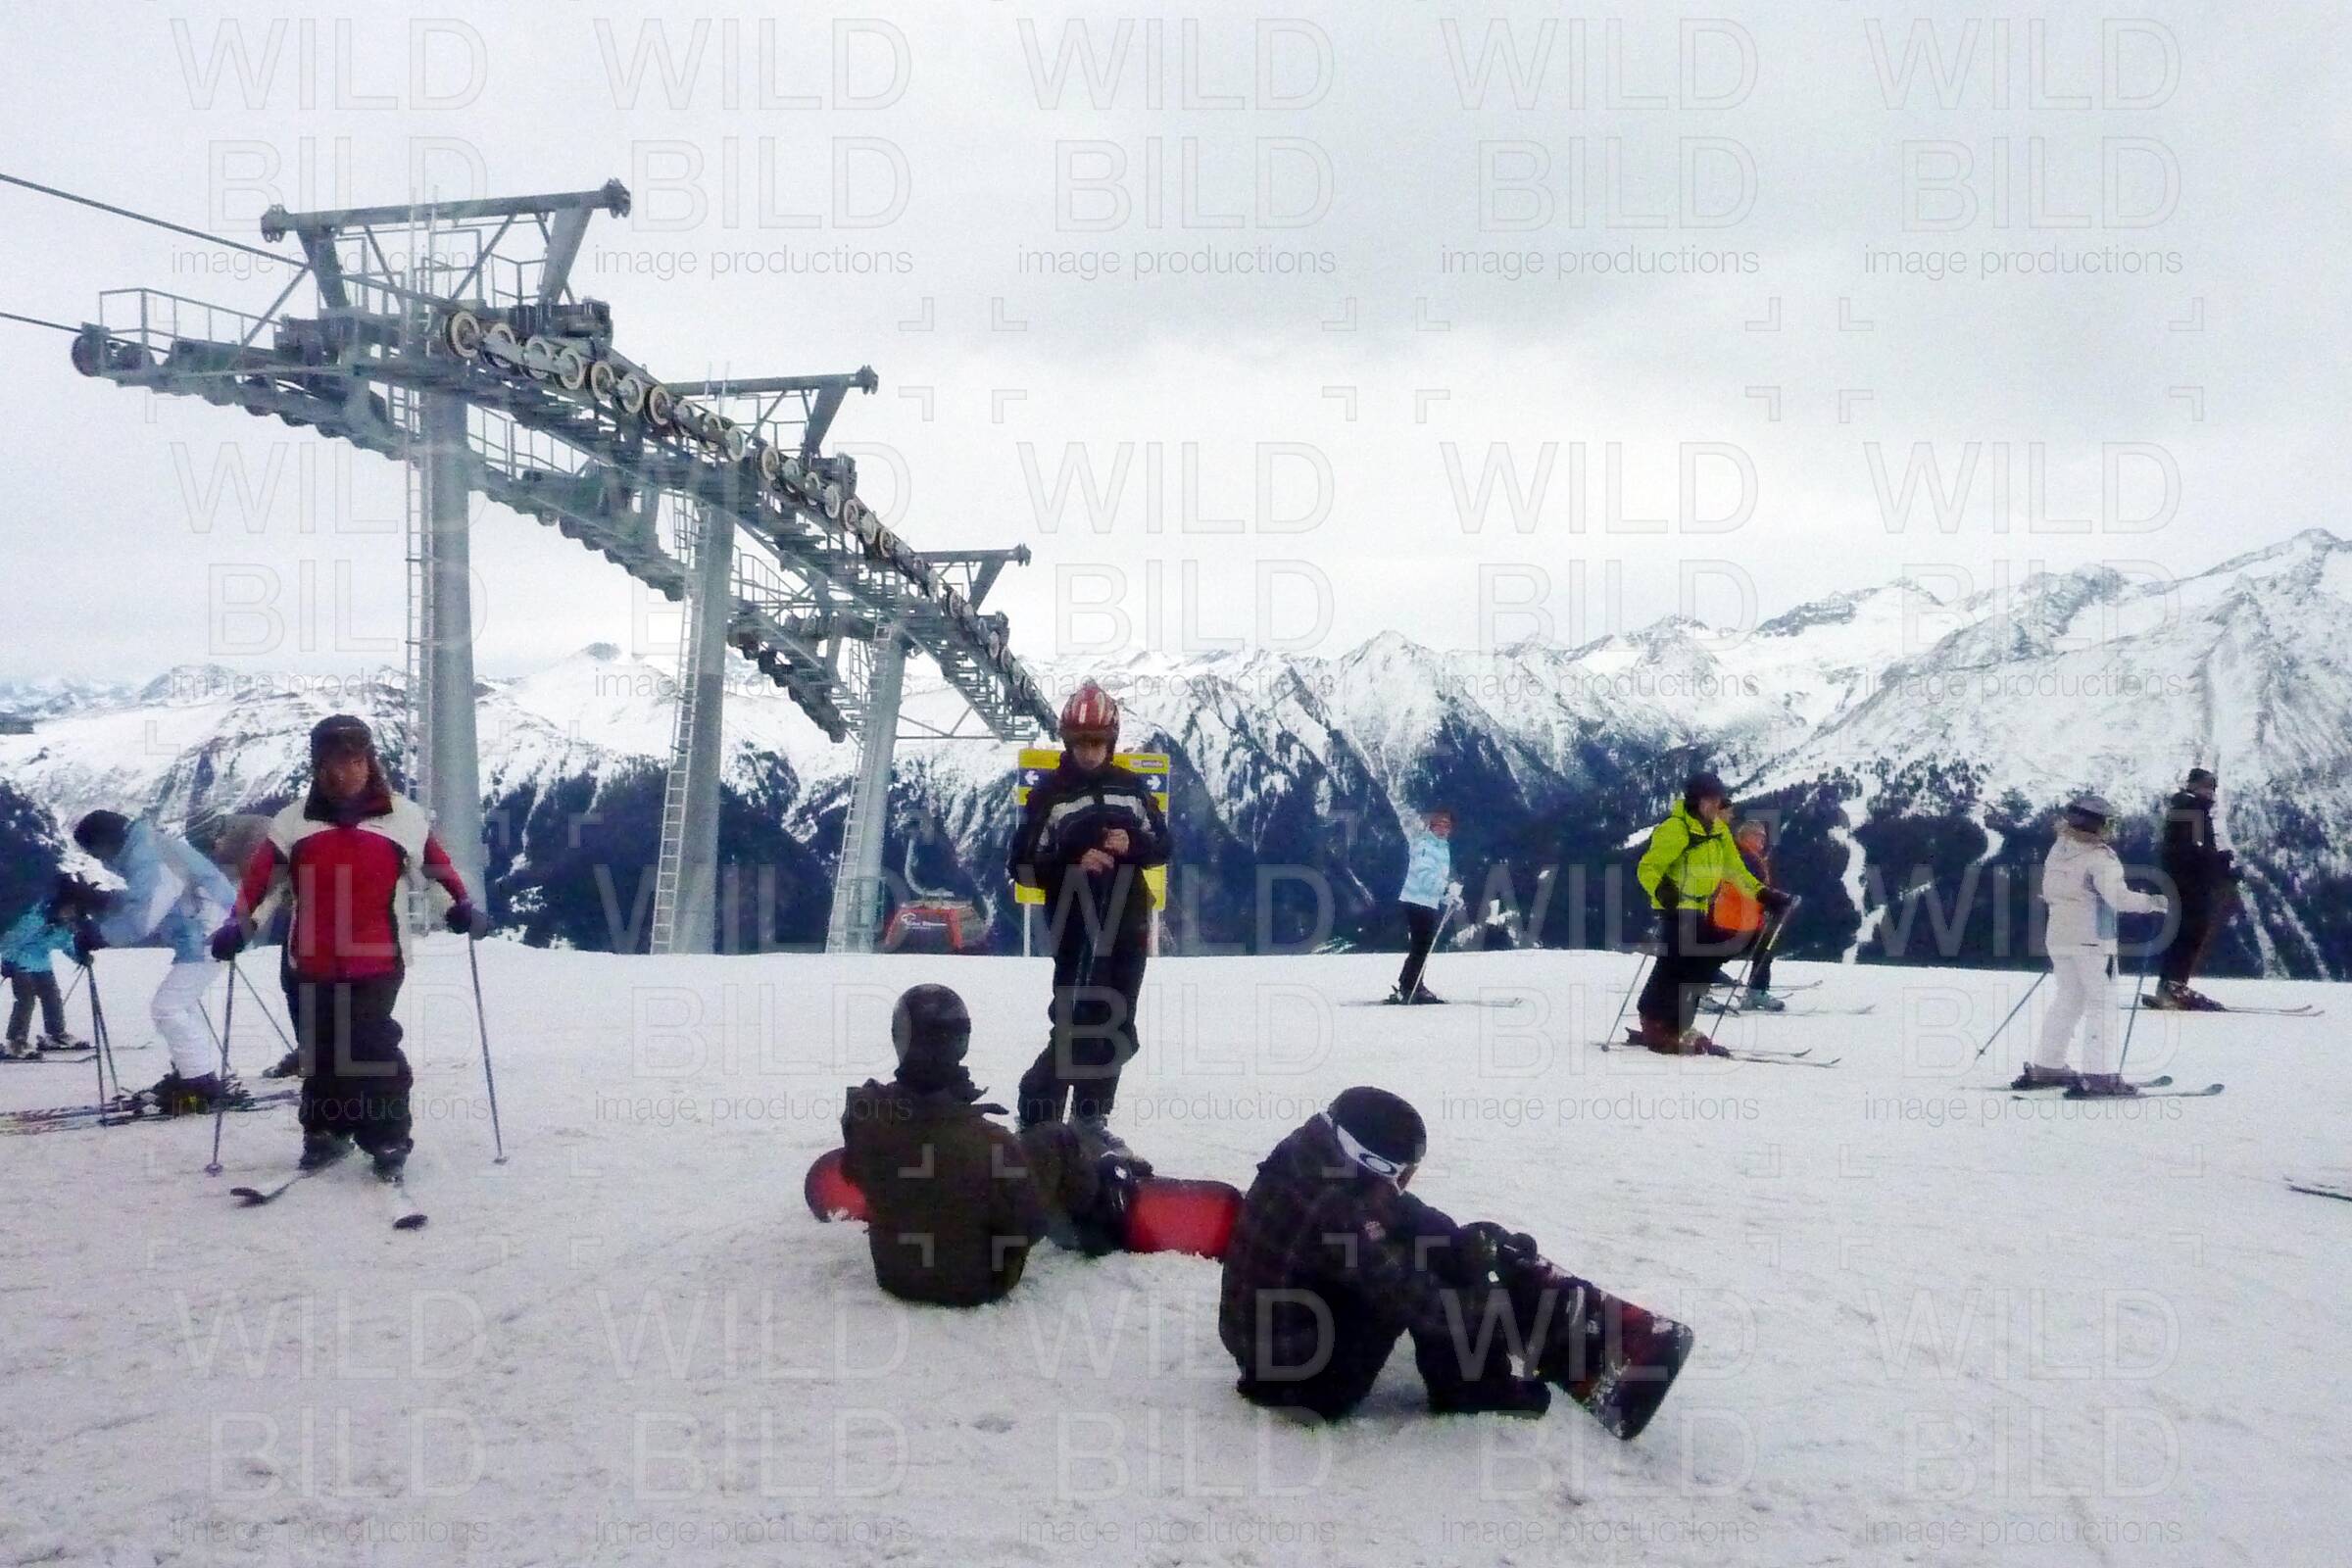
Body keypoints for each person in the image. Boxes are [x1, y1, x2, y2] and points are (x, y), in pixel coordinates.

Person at [1217, 1087, 1689, 1429]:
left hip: (1268, 1349)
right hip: (1306, 1385)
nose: (1405, 1183)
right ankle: (1475, 1389)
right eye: (1403, 1174)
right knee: (1428, 1277)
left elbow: (1396, 1211)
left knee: (1430, 1247)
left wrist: (1461, 1239)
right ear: (1373, 1163)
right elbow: (1423, 1303)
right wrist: (1485, 1287)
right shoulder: (1338, 1214)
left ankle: (1497, 1342)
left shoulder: (1313, 1156)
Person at [209, 715, 485, 1175]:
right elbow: (264, 884)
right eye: (333, 764)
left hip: (378, 959)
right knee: (319, 1051)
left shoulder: (404, 818)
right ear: (317, 767)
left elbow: (436, 870)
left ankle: (387, 1138)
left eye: (355, 762)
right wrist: (240, 926)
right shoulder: (293, 822)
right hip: (307, 961)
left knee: (371, 1048)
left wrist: (458, 908)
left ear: (370, 762)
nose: (345, 773)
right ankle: (327, 1132)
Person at [841, 984, 1127, 1306]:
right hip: (980, 1282)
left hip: (894, 1273)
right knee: (1057, 1138)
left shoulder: (863, 1113)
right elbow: (1028, 1227)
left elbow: (857, 1170)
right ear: (961, 1042)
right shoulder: (990, 1143)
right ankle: (1097, 1217)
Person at [1007, 681, 1171, 1151]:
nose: (1088, 751)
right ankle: (1037, 1118)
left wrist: (1133, 845)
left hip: (1129, 919)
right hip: (1076, 921)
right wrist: (1071, 859)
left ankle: (1089, 1119)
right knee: (1075, 1020)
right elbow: (1021, 864)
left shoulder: (1131, 787)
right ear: (1066, 741)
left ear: (1111, 740)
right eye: (1080, 741)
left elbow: (1162, 846)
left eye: (1097, 741)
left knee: (1117, 1021)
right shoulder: (1050, 795)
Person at [72, 808, 239, 1110]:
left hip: (211, 932)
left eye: (94, 851)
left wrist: (99, 935)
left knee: (168, 1008)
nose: (97, 858)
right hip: (208, 929)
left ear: (106, 841)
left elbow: (144, 915)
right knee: (181, 1006)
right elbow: (141, 899)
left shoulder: (150, 858)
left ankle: (200, 1082)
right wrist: (102, 903)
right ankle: (194, 1072)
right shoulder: (146, 849)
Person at [2018, 794, 2168, 1097]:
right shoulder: (2100, 858)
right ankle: (2100, 1075)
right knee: (2103, 1004)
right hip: (2094, 941)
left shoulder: (2059, 849)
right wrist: (2152, 902)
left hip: (2059, 937)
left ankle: (2048, 1065)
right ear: (2097, 824)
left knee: (2068, 999)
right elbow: (2118, 898)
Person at [1632, 772, 1788, 1054]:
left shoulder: (1718, 831)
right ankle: (1662, 1025)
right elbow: (1648, 868)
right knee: (1682, 964)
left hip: (1702, 906)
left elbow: (1735, 870)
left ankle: (1665, 1022)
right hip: (1676, 906)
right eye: (1710, 800)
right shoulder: (1677, 828)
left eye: (1718, 800)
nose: (1715, 805)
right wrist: (1663, 890)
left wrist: (1763, 893)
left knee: (1692, 963)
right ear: (1695, 800)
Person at [2152, 767, 2237, 1010]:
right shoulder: (2192, 810)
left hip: (2183, 882)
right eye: (2206, 786)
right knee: (2190, 933)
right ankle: (2174, 986)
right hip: (2190, 885)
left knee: (2185, 933)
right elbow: (2193, 852)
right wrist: (2221, 863)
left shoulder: (2186, 809)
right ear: (2193, 786)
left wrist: (2218, 865)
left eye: (2212, 787)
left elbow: (2189, 851)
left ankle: (2170, 985)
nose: (2210, 792)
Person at [1, 876, 103, 1057]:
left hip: (43, 965)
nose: (70, 915)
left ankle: (56, 1034)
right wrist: (7, 961)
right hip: (21, 965)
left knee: (53, 998)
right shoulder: (36, 918)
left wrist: (79, 956)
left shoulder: (62, 925)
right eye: (69, 910)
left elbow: (65, 943)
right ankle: (16, 1041)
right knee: (25, 1002)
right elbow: (13, 940)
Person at [1388, 808, 1461, 1004]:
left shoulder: (1440, 847)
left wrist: (1448, 897)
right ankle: (1411, 985)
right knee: (1422, 945)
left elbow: (1434, 879)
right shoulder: (1426, 845)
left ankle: (1411, 983)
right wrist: (1446, 889)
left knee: (1422, 945)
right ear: (1432, 825)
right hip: (1416, 900)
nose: (1443, 829)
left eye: (1447, 825)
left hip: (1426, 901)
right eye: (1439, 824)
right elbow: (1425, 875)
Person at [1712, 820, 1785, 1012]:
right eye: (1758, 835)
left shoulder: (1747, 857)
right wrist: (1773, 900)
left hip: (1739, 918)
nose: (1762, 840)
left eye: (1763, 836)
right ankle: (1697, 985)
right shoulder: (1746, 858)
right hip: (1735, 919)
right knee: (1758, 948)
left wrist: (1771, 900)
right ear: (1746, 836)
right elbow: (1747, 887)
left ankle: (1705, 978)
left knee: (1762, 948)